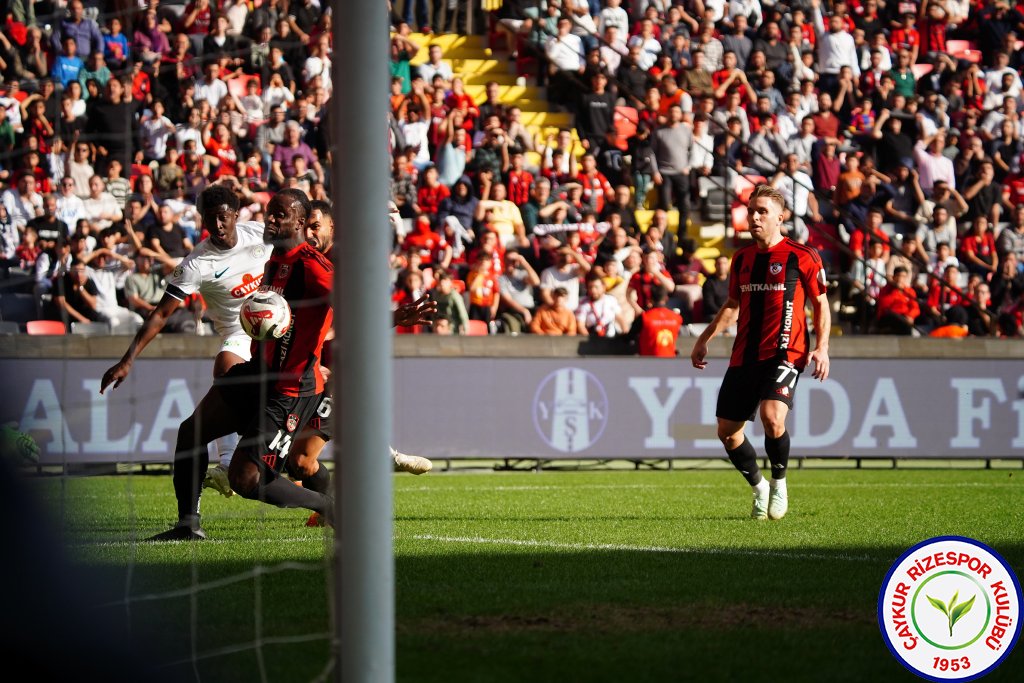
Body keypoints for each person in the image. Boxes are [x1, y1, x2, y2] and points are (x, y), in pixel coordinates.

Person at [690, 185, 830, 521]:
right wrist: (704, 337)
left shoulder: (803, 255)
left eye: (761, 211)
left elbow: (820, 303)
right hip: (745, 356)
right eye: (751, 210)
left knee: (772, 417)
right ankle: (759, 488)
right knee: (727, 432)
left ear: (781, 216)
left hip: (787, 352)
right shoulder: (741, 258)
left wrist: (822, 348)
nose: (753, 216)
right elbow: (733, 305)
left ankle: (780, 483)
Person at [629, 284, 682, 357]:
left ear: (650, 300)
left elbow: (629, 337)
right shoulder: (677, 318)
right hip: (670, 360)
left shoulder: (644, 317)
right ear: (666, 298)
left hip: (648, 362)